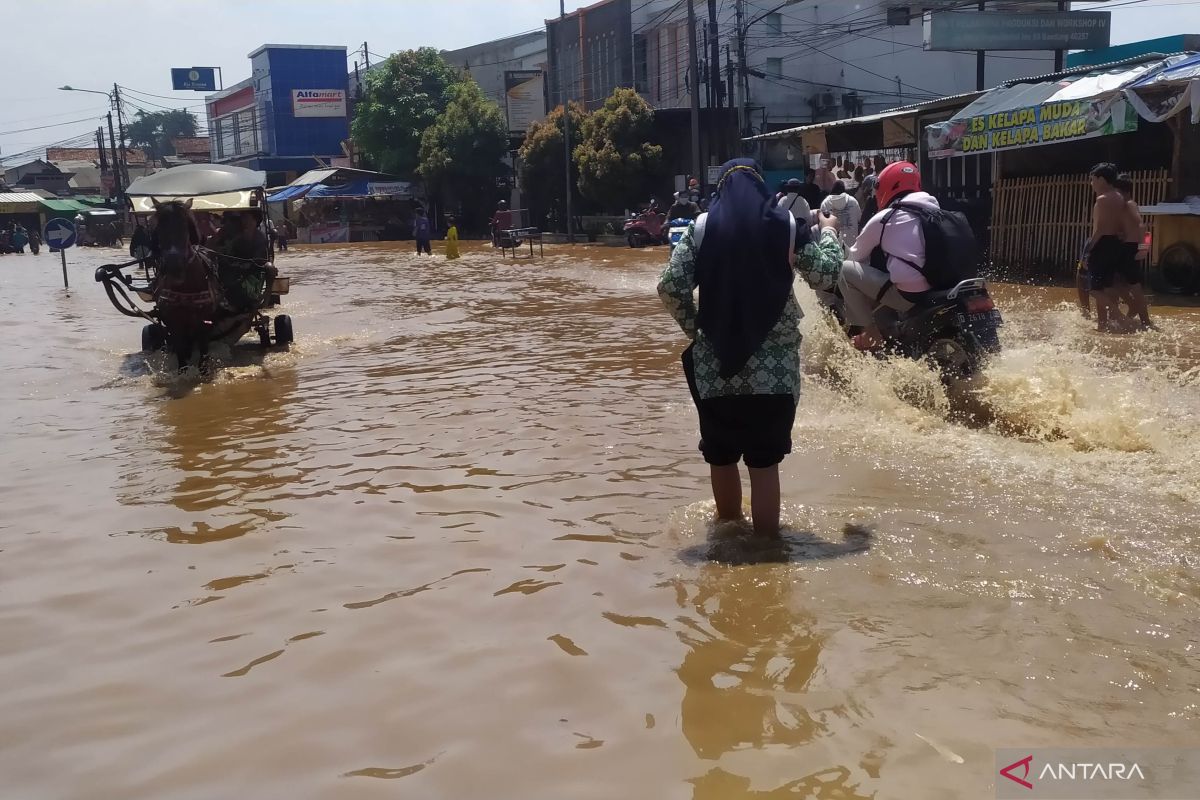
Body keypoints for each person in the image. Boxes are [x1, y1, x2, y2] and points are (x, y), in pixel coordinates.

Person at [657, 158, 810, 537]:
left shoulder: (702, 227)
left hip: (716, 368)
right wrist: (828, 235)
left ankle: (727, 542)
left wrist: (698, 329)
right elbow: (825, 273)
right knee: (764, 465)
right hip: (774, 374)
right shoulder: (789, 227)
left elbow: (670, 287)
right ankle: (767, 551)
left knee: (721, 457)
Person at [840, 161, 938, 351]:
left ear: (887, 186)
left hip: (910, 295)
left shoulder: (885, 218)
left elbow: (855, 257)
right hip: (943, 285)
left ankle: (870, 333)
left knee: (844, 271)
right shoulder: (936, 210)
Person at [1082, 163, 1133, 332]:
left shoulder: (1101, 200)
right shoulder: (1120, 198)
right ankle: (1102, 325)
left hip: (1102, 244)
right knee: (1106, 286)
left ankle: (1118, 315)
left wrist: (1088, 251)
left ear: (1102, 180)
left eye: (1093, 180)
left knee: (1093, 289)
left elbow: (1099, 230)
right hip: (1116, 245)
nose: (1092, 184)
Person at [820, 180, 862, 246]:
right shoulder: (853, 201)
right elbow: (859, 218)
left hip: (833, 245)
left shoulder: (826, 203)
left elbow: (822, 223)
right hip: (852, 243)